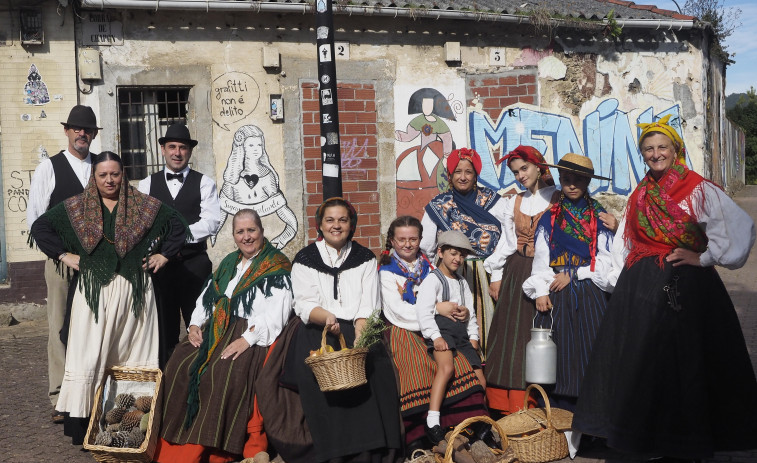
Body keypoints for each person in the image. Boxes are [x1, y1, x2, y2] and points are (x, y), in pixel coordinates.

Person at [573, 115, 757, 461]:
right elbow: (625, 242)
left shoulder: (698, 189)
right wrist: (622, 280)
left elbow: (739, 229)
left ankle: (689, 441)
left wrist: (702, 259)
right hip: (641, 287)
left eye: (662, 148)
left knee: (688, 361)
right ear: (642, 154)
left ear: (676, 150)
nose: (656, 154)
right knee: (645, 364)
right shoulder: (640, 192)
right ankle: (649, 440)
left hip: (688, 286)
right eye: (648, 149)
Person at [30, 151, 189, 444]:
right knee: (89, 353)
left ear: (123, 174)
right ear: (95, 176)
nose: (109, 180)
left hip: (134, 292)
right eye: (103, 174)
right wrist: (65, 254)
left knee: (132, 354)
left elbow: (178, 224)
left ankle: (131, 427)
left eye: (114, 174)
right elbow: (40, 227)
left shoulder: (142, 205)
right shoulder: (77, 206)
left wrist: (163, 255)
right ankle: (86, 425)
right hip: (93, 294)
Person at [155, 209, 293, 463]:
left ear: (262, 231)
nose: (246, 237)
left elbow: (278, 315)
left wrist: (247, 339)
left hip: (253, 332)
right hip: (218, 328)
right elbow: (208, 297)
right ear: (233, 235)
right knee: (180, 360)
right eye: (240, 232)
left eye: (251, 230)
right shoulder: (230, 262)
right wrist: (195, 324)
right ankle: (169, 438)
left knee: (224, 371)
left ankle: (210, 444)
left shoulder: (276, 265)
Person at [287, 197, 402, 463]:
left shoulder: (364, 258)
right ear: (320, 225)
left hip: (358, 327)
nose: (336, 225)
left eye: (342, 220)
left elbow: (368, 307)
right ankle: (334, 452)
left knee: (375, 369)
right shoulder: (305, 259)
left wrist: (358, 345)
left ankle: (372, 448)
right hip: (319, 327)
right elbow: (303, 304)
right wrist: (327, 317)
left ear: (351, 225)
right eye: (330, 220)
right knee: (317, 372)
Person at [379, 216, 488, 452]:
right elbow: (397, 310)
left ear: (420, 240)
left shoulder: (428, 266)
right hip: (403, 326)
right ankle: (419, 430)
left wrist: (458, 316)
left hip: (437, 325)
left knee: (461, 364)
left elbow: (453, 301)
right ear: (392, 241)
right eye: (402, 239)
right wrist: (437, 309)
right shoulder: (387, 271)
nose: (408, 244)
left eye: (413, 239)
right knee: (416, 364)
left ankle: (461, 423)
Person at [522, 152, 615, 414]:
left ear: (587, 182)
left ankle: (592, 421)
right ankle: (559, 419)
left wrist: (574, 274)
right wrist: (540, 290)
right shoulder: (549, 218)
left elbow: (606, 261)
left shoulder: (600, 217)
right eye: (566, 179)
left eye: (579, 179)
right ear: (560, 180)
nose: (572, 185)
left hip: (590, 293)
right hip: (556, 293)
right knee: (559, 358)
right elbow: (541, 261)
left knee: (591, 353)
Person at [27, 105, 99, 423]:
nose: (82, 133)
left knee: (95, 328)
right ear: (67, 131)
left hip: (97, 265)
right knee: (60, 328)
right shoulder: (50, 168)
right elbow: (36, 221)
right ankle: (59, 395)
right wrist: (61, 254)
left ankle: (92, 393)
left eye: (87, 129)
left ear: (94, 134)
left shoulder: (102, 166)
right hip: (61, 263)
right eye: (76, 128)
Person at [482, 145, 558, 415]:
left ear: (539, 166)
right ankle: (506, 408)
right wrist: (497, 274)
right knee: (509, 337)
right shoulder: (513, 202)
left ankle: (537, 404)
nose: (520, 175)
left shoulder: (558, 198)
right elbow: (507, 242)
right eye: (515, 172)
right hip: (516, 271)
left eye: (524, 168)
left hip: (547, 273)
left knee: (537, 335)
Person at [138, 123, 221, 368]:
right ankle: (166, 385)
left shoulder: (205, 183)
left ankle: (203, 380)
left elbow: (211, 223)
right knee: (163, 330)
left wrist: (170, 241)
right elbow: (143, 226)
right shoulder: (146, 185)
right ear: (162, 149)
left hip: (194, 264)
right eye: (172, 147)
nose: (177, 152)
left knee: (202, 327)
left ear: (190, 152)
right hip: (159, 268)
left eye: (183, 148)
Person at [421, 147, 507, 353]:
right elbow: (426, 246)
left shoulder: (493, 201)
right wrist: (440, 275)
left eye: (468, 172)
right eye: (457, 172)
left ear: (476, 175)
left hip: (488, 274)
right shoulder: (439, 205)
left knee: (492, 323)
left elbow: (507, 237)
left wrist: (497, 273)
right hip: (454, 274)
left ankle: (490, 370)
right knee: (459, 324)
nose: (463, 177)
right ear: (450, 175)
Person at [415, 230, 485, 445]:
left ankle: (481, 423)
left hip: (461, 333)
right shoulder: (432, 280)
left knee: (480, 377)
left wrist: (473, 336)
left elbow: (470, 312)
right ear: (440, 252)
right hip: (442, 331)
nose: (457, 259)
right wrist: (435, 337)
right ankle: (433, 421)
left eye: (462, 255)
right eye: (453, 253)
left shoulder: (463, 282)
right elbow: (423, 311)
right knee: (446, 368)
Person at [213, 124, 298, 249]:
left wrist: (288, 232)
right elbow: (223, 210)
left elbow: (281, 207)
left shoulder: (268, 176)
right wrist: (213, 233)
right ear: (242, 148)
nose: (256, 149)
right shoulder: (233, 178)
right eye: (251, 145)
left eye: (259, 145)